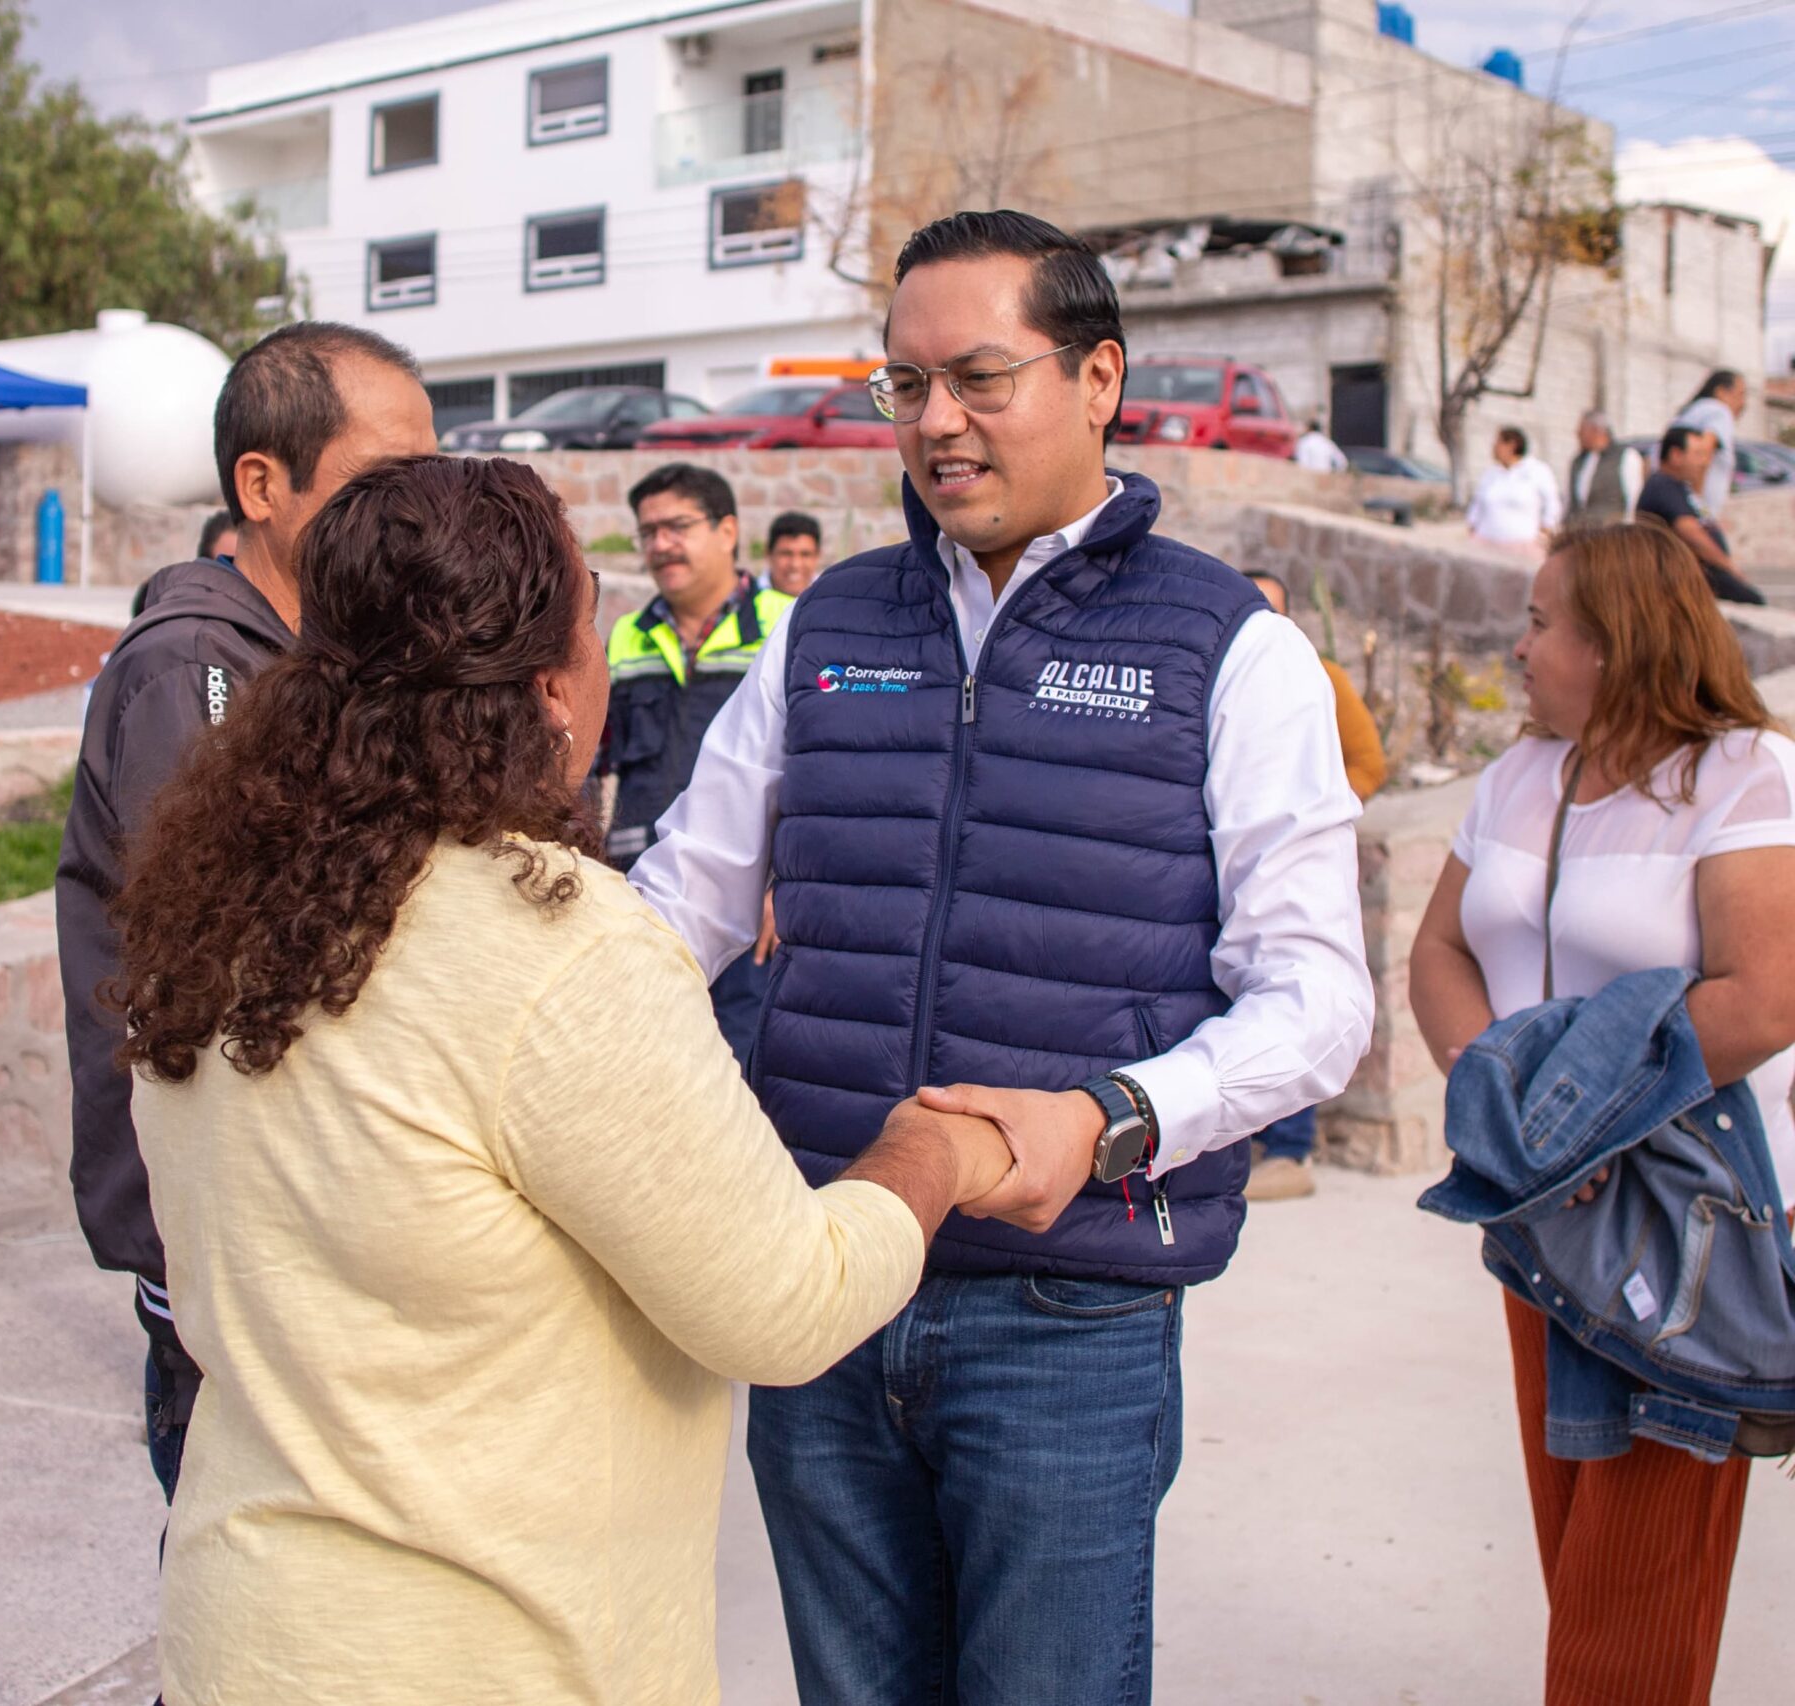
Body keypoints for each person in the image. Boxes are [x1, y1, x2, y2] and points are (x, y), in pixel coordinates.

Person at [111, 452, 1017, 1706]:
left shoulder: (216, 911)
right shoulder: (555, 946)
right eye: (593, 633)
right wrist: (933, 1156)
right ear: (549, 690)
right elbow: (786, 1303)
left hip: (243, 1639)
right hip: (478, 1661)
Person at [628, 209, 1374, 1706]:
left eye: (981, 377)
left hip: (1069, 1314)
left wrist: (1112, 1115)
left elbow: (1318, 996)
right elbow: (675, 910)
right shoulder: (825, 627)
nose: (937, 423)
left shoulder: (1231, 648)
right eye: (905, 387)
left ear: (1100, 378)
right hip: (827, 1281)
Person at [1406, 522, 1795, 1706]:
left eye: (1538, 622)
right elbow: (1437, 949)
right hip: (1542, 1223)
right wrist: (1506, 1118)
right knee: (1579, 1554)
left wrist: (1577, 1123)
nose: (1515, 645)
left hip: (1680, 1231)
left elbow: (1765, 993)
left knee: (1630, 1593)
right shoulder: (1523, 775)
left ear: (1615, 642)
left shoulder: (1740, 776)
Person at [56, 320, 436, 1504]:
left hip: (307, 1221)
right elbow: (240, 939)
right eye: (385, 483)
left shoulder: (328, 658)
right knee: (244, 1573)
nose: (417, 516)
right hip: (220, 1228)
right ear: (262, 486)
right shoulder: (194, 671)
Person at [599, 463, 789, 1064]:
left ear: (728, 530)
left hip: (752, 908)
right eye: (648, 531)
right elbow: (594, 757)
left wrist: (788, 883)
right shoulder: (628, 634)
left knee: (745, 1071)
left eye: (676, 526)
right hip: (641, 894)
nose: (660, 545)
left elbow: (817, 774)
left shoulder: (790, 624)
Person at [1240, 570, 1387, 1202]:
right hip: (1229, 852)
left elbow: (1368, 763)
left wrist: (1307, 817)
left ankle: (1290, 1150)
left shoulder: (1322, 677)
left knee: (1290, 987)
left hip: (1293, 857)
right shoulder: (1216, 672)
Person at [1639, 425, 1764, 606]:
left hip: (1696, 576)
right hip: (1680, 578)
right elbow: (1691, 533)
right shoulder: (1663, 486)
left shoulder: (1679, 486)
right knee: (1753, 601)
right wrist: (1728, 565)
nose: (1704, 462)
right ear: (1676, 455)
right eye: (1697, 454)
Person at [1467, 426, 1564, 549]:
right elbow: (1477, 503)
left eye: (1498, 443)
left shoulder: (1536, 470)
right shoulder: (1491, 473)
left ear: (1512, 445)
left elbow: (1552, 502)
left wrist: (1547, 528)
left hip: (1522, 544)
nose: (1494, 447)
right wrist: (1472, 526)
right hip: (1486, 541)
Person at [1673, 368, 1745, 519]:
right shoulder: (1719, 411)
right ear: (1720, 392)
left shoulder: (1691, 412)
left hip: (1673, 503)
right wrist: (1698, 506)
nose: (1743, 403)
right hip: (1691, 513)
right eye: (1740, 394)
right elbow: (1702, 453)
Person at [1567, 409, 1643, 524]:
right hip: (1580, 532)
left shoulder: (1626, 456)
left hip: (1611, 533)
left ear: (1596, 430)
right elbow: (1571, 502)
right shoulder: (1578, 461)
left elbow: (1634, 498)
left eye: (1582, 430)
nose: (1578, 434)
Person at [766, 509, 823, 595]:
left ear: (817, 555)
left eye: (805, 554)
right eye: (786, 554)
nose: (795, 564)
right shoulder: (747, 598)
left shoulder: (832, 597)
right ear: (768, 554)